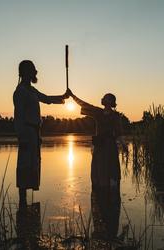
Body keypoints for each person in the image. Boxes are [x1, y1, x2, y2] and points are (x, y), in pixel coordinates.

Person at [13, 60, 69, 206]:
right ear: (25, 72)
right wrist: (22, 137)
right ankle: (22, 200)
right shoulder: (20, 91)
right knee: (25, 164)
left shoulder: (32, 90)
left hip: (34, 133)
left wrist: (63, 97)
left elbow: (47, 99)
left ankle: (25, 209)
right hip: (26, 132)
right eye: (32, 70)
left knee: (33, 164)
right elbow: (18, 116)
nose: (35, 72)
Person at [68, 89, 124, 191]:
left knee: (111, 169)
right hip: (99, 146)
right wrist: (72, 96)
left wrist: (123, 145)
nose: (102, 98)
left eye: (105, 97)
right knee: (99, 170)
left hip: (110, 147)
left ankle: (110, 194)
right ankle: (100, 193)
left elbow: (119, 133)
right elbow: (84, 104)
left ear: (110, 102)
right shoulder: (98, 112)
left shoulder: (116, 116)